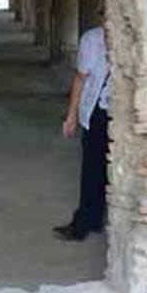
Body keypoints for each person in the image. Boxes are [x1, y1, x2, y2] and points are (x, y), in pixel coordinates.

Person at [52, 23, 110, 241]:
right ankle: (85, 222)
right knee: (93, 169)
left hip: (121, 110)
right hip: (97, 110)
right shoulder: (92, 40)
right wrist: (72, 115)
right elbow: (80, 78)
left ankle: (96, 218)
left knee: (108, 169)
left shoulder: (131, 35)